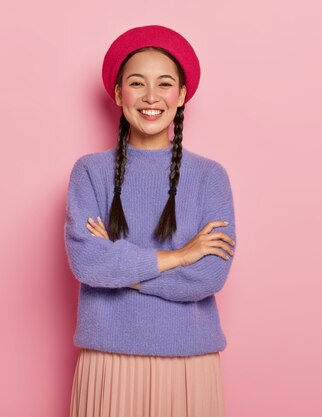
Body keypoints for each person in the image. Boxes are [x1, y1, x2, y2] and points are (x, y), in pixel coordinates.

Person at [64, 25, 237, 417]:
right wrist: (178, 256)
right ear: (117, 92)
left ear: (182, 95)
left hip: (188, 362)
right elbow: (88, 263)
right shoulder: (90, 172)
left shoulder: (210, 177)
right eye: (137, 83)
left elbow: (210, 276)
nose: (151, 97)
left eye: (164, 83)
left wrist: (120, 266)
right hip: (108, 359)